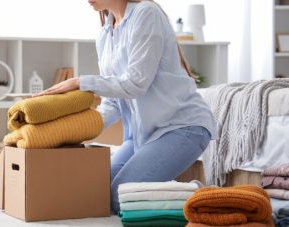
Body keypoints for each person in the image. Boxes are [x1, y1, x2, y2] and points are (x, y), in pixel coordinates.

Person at [36, 0, 216, 213]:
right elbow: (113, 102)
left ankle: (206, 198)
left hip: (182, 127)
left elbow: (136, 84)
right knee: (96, 191)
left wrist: (80, 82)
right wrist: (73, 131)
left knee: (118, 199)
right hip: (143, 136)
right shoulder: (105, 35)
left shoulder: (146, 14)